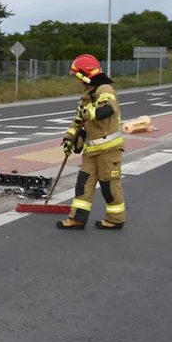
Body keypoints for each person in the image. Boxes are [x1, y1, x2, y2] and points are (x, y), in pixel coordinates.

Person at [57, 54, 126, 231]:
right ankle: (77, 219)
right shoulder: (89, 93)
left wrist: (86, 111)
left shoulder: (105, 90)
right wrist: (69, 138)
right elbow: (78, 121)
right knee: (83, 185)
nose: (79, 81)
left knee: (109, 187)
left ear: (86, 74)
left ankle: (116, 219)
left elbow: (107, 109)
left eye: (79, 76)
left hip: (109, 151)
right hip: (91, 151)